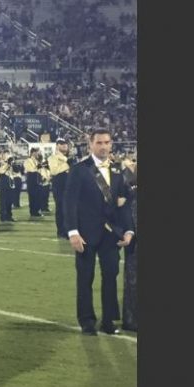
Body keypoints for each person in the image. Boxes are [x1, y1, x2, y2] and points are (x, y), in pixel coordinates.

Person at [64, 129, 135, 335]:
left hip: (111, 234)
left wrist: (128, 230)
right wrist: (72, 232)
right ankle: (86, 320)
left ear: (111, 144)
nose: (103, 146)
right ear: (90, 145)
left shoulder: (116, 170)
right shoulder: (79, 170)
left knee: (111, 276)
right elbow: (69, 203)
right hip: (85, 233)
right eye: (99, 143)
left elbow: (123, 204)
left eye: (107, 142)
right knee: (85, 277)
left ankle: (108, 321)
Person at [120, 159, 137, 332]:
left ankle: (132, 319)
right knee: (133, 279)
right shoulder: (128, 176)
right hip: (134, 234)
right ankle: (132, 320)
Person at [48, 138, 73, 238]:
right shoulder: (53, 158)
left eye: (66, 144)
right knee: (61, 209)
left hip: (69, 186)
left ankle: (68, 230)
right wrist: (67, 165)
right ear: (57, 146)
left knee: (68, 209)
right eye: (62, 144)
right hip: (59, 186)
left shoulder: (68, 158)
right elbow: (54, 171)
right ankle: (61, 231)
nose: (65, 146)